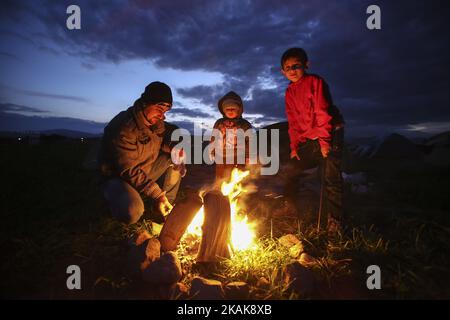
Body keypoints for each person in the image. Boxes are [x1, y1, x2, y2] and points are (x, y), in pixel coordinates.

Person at [99, 81, 184, 224]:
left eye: (165, 110)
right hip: (118, 178)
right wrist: (156, 194)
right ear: (145, 103)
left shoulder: (155, 122)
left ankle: (165, 206)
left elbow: (162, 140)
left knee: (174, 159)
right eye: (159, 107)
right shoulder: (124, 128)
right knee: (133, 211)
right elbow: (129, 170)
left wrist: (174, 149)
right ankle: (110, 199)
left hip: (143, 170)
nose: (162, 115)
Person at [280, 47, 345, 235]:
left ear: (306, 65)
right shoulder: (289, 92)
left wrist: (325, 143)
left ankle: (335, 222)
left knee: (330, 178)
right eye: (288, 67)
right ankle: (290, 208)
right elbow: (293, 121)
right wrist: (294, 146)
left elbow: (322, 112)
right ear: (282, 71)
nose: (292, 70)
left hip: (330, 132)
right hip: (309, 138)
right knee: (291, 170)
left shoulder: (315, 82)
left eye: (296, 66)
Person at [210, 91, 253, 183]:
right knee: (221, 179)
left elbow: (250, 141)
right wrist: (212, 151)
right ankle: (221, 194)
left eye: (233, 108)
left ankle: (237, 196)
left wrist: (248, 156)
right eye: (227, 109)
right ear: (223, 110)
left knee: (237, 179)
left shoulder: (244, 125)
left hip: (238, 157)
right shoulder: (219, 123)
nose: (230, 111)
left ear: (239, 110)